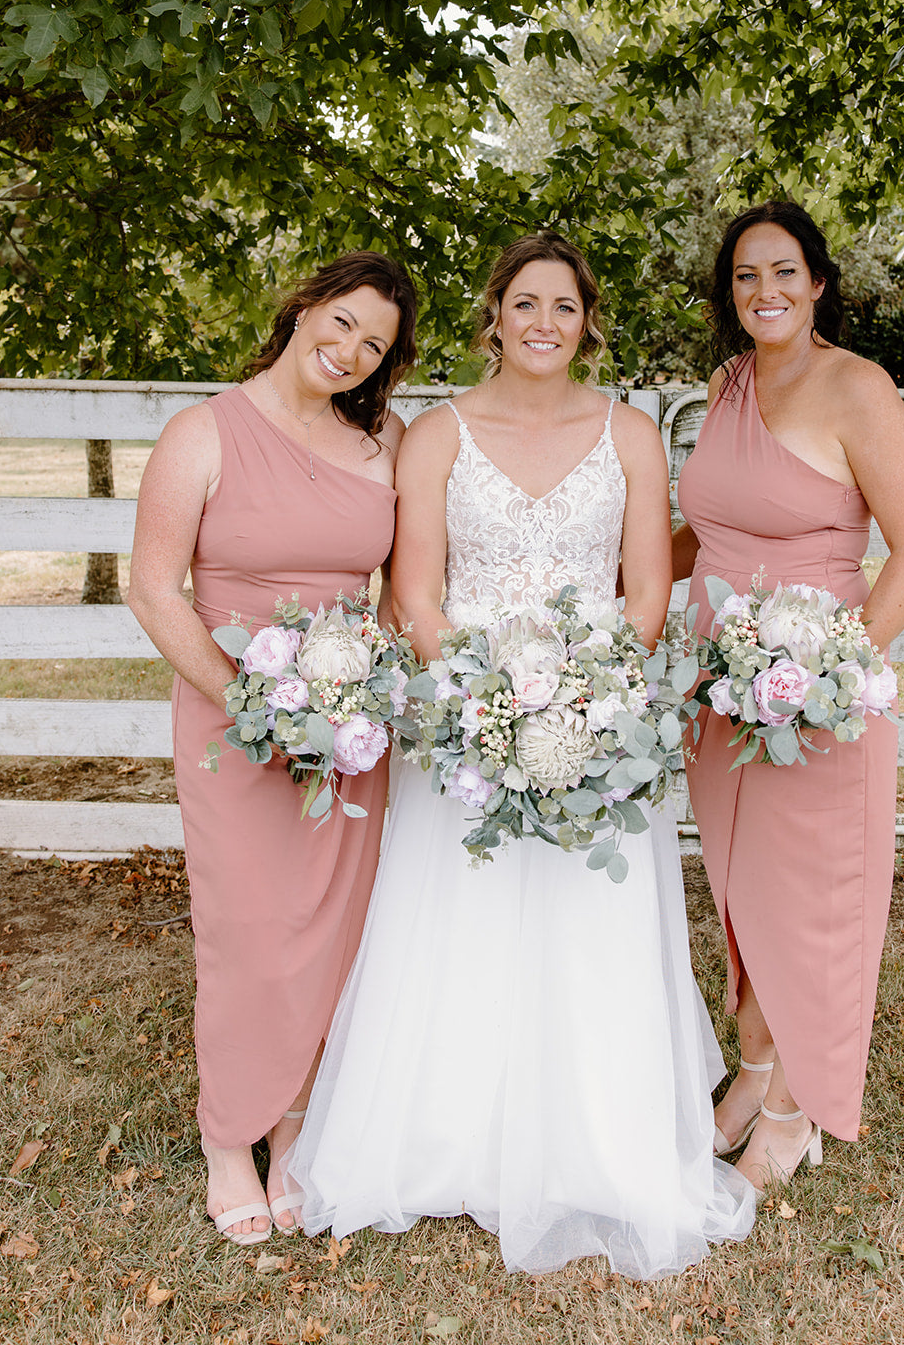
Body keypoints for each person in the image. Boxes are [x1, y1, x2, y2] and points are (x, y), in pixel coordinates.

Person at [287, 231, 756, 1274]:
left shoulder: (629, 433)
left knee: (585, 926)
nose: (543, 321)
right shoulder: (436, 436)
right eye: (523, 302)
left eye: (563, 305)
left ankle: (595, 1139)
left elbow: (643, 594)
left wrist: (582, 704)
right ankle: (442, 1134)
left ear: (588, 323)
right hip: (465, 724)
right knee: (460, 917)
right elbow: (413, 596)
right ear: (492, 316)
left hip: (594, 721)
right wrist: (480, 707)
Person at [127, 251, 417, 1245]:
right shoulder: (202, 432)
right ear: (303, 305)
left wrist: (354, 686)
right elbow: (154, 589)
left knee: (334, 924)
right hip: (231, 719)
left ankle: (294, 1132)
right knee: (247, 928)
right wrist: (245, 697)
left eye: (371, 343)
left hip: (348, 727)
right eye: (338, 322)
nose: (346, 350)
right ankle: (227, 1137)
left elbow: (401, 587)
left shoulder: (384, 441)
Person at [672, 202, 904, 1198]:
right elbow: (704, 530)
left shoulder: (854, 387)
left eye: (782, 272)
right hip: (720, 688)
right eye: (744, 277)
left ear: (817, 281)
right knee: (742, 893)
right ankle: (750, 1076)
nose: (764, 292)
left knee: (810, 904)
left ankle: (793, 1113)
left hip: (815, 692)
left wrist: (830, 677)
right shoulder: (727, 383)